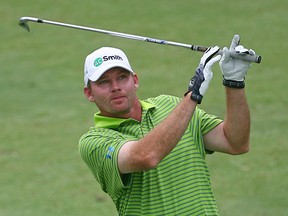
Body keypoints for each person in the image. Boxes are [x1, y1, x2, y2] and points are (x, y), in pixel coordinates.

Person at [79, 35, 253, 215]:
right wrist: (193, 95)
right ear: (89, 93)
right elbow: (146, 156)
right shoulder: (93, 143)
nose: (115, 87)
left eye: (122, 77)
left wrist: (234, 83)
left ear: (135, 80)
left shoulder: (171, 105)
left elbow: (235, 143)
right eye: (103, 82)